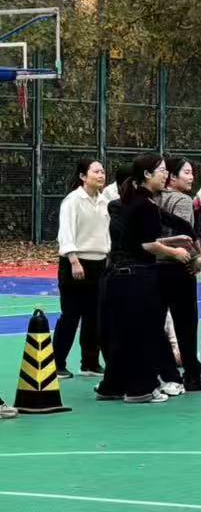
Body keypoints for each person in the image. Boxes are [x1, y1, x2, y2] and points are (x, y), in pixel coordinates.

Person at [95, 156, 193, 404]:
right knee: (144, 334)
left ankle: (112, 386)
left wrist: (176, 239)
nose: (165, 175)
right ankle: (141, 389)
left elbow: (135, 239)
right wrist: (175, 252)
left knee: (121, 334)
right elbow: (147, 244)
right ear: (147, 174)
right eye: (162, 170)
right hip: (137, 276)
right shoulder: (145, 205)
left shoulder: (125, 203)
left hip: (117, 275)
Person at [156, 156, 201, 394]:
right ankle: (192, 374)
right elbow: (184, 235)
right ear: (172, 176)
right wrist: (196, 258)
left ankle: (166, 372)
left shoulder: (150, 198)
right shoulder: (182, 200)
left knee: (156, 324)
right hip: (178, 267)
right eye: (186, 172)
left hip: (153, 267)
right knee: (186, 324)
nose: (191, 177)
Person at [54, 158, 109, 380]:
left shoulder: (104, 201)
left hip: (99, 263)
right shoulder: (72, 200)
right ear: (83, 176)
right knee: (70, 316)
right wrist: (74, 260)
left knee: (94, 317)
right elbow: (66, 233)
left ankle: (90, 363)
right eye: (96, 172)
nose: (101, 175)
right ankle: (57, 364)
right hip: (76, 264)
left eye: (103, 171)